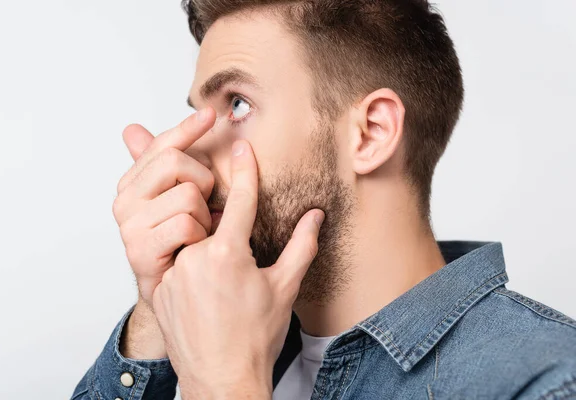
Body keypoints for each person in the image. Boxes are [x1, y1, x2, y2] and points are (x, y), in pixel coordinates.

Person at [71, 1, 576, 399]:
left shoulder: (546, 381)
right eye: (196, 117)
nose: (189, 152)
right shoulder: (222, 336)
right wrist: (157, 309)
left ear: (371, 134)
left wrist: (226, 389)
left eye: (238, 104)